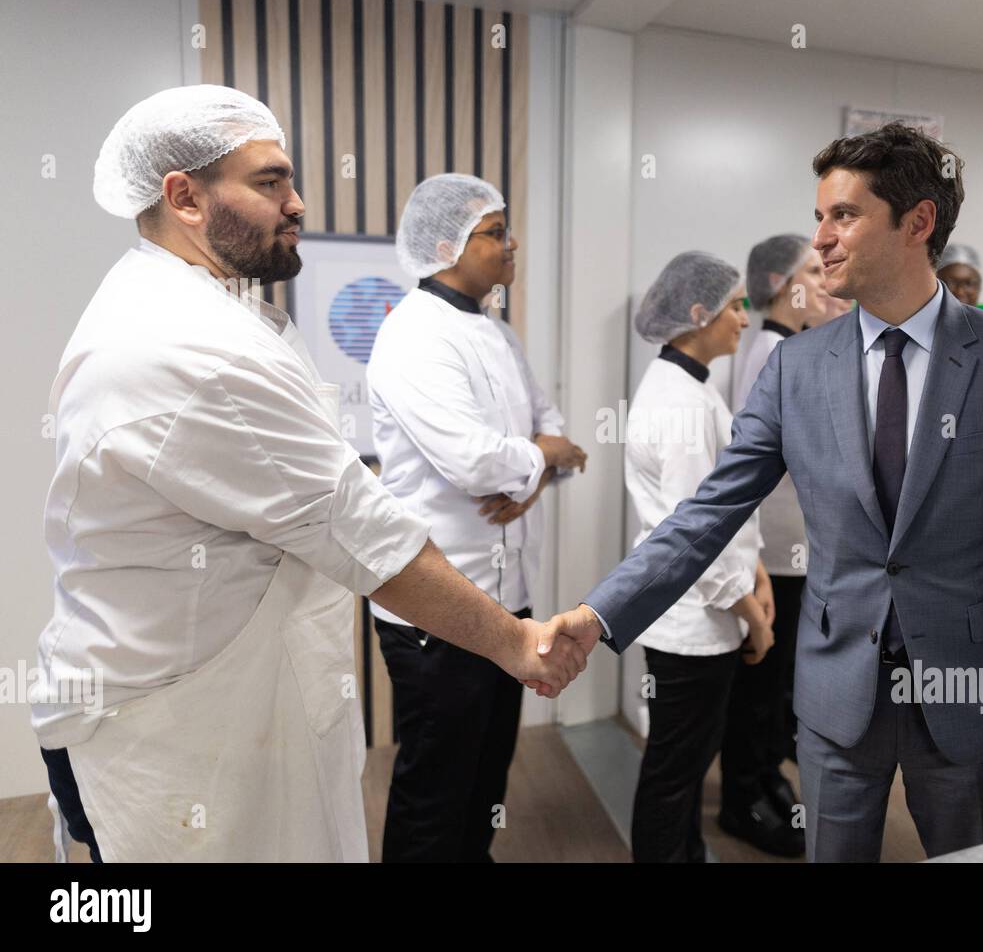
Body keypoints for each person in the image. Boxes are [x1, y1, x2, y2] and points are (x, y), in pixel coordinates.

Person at [34, 86, 584, 863]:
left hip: (218, 700)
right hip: (170, 732)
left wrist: (535, 460)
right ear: (184, 197)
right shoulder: (188, 346)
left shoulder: (220, 313)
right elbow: (361, 527)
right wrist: (518, 642)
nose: (297, 203)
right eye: (270, 182)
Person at [538, 123, 983, 861]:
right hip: (837, 697)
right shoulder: (798, 367)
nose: (820, 238)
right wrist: (599, 614)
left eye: (844, 216)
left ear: (917, 222)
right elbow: (706, 514)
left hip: (967, 692)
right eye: (819, 216)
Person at [365, 174, 587, 861]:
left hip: (509, 603)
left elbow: (556, 433)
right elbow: (473, 462)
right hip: (439, 609)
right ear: (445, 247)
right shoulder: (412, 336)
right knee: (435, 789)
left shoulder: (497, 330)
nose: (511, 243)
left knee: (488, 774)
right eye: (496, 232)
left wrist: (537, 470)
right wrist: (540, 460)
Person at [623, 251, 774, 862]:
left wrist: (758, 571)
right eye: (735, 306)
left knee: (685, 762)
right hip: (690, 623)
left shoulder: (689, 384)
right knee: (673, 769)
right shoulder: (682, 403)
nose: (744, 318)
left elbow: (727, 510)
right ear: (697, 313)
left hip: (700, 613)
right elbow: (696, 539)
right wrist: (756, 616)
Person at [716, 233, 826, 857]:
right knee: (760, 684)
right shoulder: (769, 352)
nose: (826, 272)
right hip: (776, 549)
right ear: (784, 282)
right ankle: (743, 801)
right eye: (813, 266)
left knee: (775, 684)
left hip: (793, 548)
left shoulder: (784, 347)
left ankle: (764, 780)